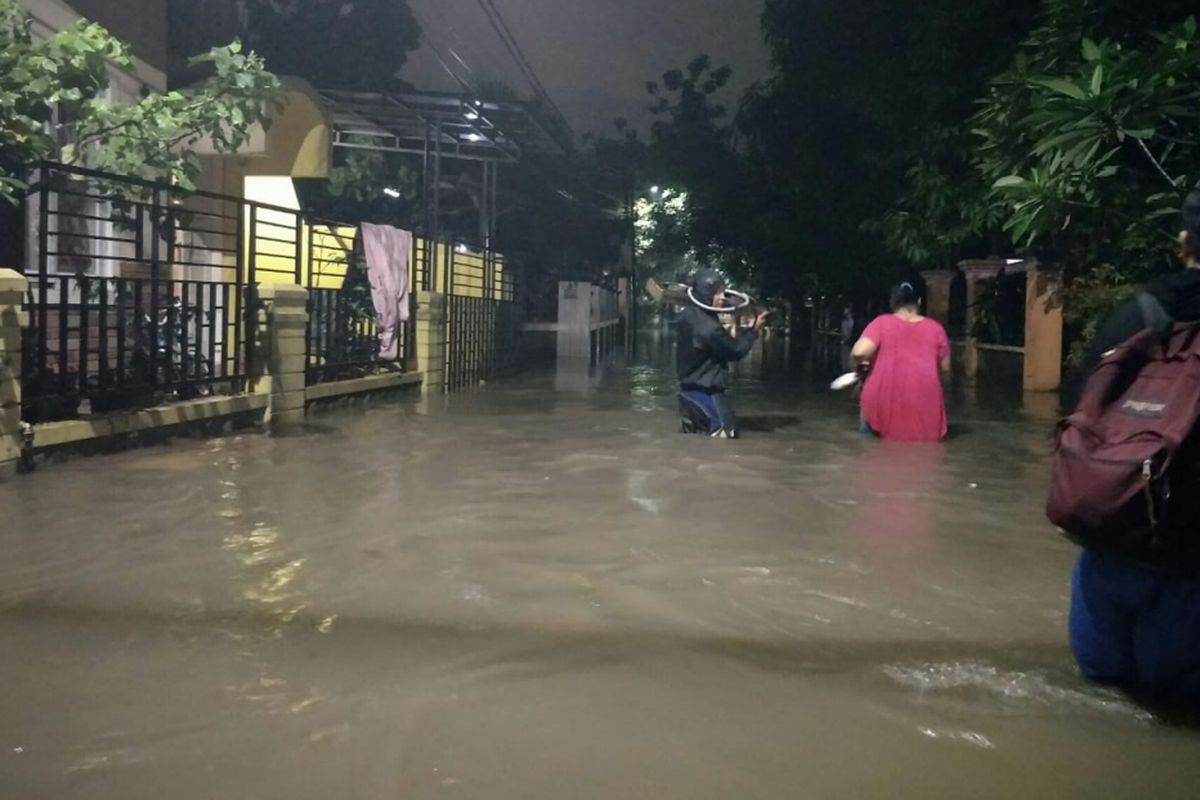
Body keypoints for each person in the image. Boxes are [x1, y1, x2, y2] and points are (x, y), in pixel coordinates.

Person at [1067, 185, 1200, 703]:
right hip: (1190, 570)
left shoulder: (1136, 315)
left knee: (1101, 700)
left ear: (1184, 242)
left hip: (1112, 547)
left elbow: (1079, 418)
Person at [850, 282, 950, 441]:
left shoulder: (881, 323)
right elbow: (945, 368)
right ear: (919, 302)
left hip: (880, 404)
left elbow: (859, 352)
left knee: (870, 455)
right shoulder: (936, 329)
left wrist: (859, 367)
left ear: (893, 303)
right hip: (925, 407)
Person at [676, 269, 769, 438]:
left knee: (692, 439)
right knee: (727, 437)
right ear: (706, 295)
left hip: (687, 395)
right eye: (718, 294)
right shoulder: (709, 328)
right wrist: (753, 331)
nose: (723, 298)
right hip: (707, 395)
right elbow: (735, 351)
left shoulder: (687, 315)